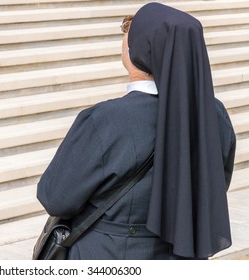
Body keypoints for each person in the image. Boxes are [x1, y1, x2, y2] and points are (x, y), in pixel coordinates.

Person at [37, 2, 236, 260]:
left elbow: (56, 198)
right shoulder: (214, 114)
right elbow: (216, 183)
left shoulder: (105, 119)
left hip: (110, 256)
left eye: (129, 32)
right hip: (183, 254)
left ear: (142, 47)